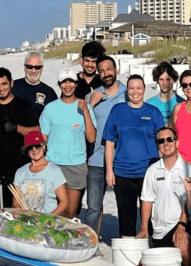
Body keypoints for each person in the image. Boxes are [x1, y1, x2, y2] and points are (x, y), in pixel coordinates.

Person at [103, 74, 164, 242]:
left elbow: (163, 143)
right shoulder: (118, 110)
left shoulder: (153, 112)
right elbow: (109, 142)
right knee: (126, 216)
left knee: (151, 217)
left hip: (148, 174)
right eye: (131, 88)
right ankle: (129, 254)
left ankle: (151, 252)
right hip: (123, 173)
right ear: (127, 90)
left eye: (139, 88)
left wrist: (161, 171)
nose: (135, 92)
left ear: (144, 89)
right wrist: (109, 171)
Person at [0, 67, 41, 209]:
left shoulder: (24, 106)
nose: (1, 88)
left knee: (20, 211)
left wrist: (17, 128)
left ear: (11, 83)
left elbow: (37, 133)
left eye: (4, 84)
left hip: (20, 168)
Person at [138, 126, 191, 266]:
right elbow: (147, 200)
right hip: (158, 229)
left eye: (170, 139)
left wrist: (181, 226)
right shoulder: (152, 170)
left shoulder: (187, 170)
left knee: (181, 243)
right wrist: (144, 227)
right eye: (161, 140)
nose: (166, 143)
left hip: (180, 224)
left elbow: (190, 204)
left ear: (177, 143)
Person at [39, 68, 96, 218]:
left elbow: (91, 138)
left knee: (71, 212)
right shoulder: (50, 108)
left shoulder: (84, 107)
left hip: (76, 165)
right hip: (53, 164)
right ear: (59, 85)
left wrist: (86, 111)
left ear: (76, 84)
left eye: (71, 81)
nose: (67, 85)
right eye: (64, 82)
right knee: (55, 210)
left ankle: (67, 240)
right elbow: (43, 136)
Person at [82, 55, 124, 235]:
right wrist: (91, 104)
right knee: (93, 207)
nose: (106, 73)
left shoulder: (128, 93)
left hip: (122, 160)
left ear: (116, 70)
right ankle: (91, 243)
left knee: (124, 206)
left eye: (109, 69)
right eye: (102, 71)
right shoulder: (93, 95)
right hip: (96, 159)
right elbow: (82, 126)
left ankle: (126, 241)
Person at [12, 131, 69, 215]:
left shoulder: (55, 170)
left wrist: (48, 218)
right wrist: (26, 216)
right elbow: (16, 202)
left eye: (37, 146)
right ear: (26, 151)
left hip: (48, 222)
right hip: (27, 221)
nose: (34, 149)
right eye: (30, 147)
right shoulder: (20, 172)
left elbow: (64, 202)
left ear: (44, 146)